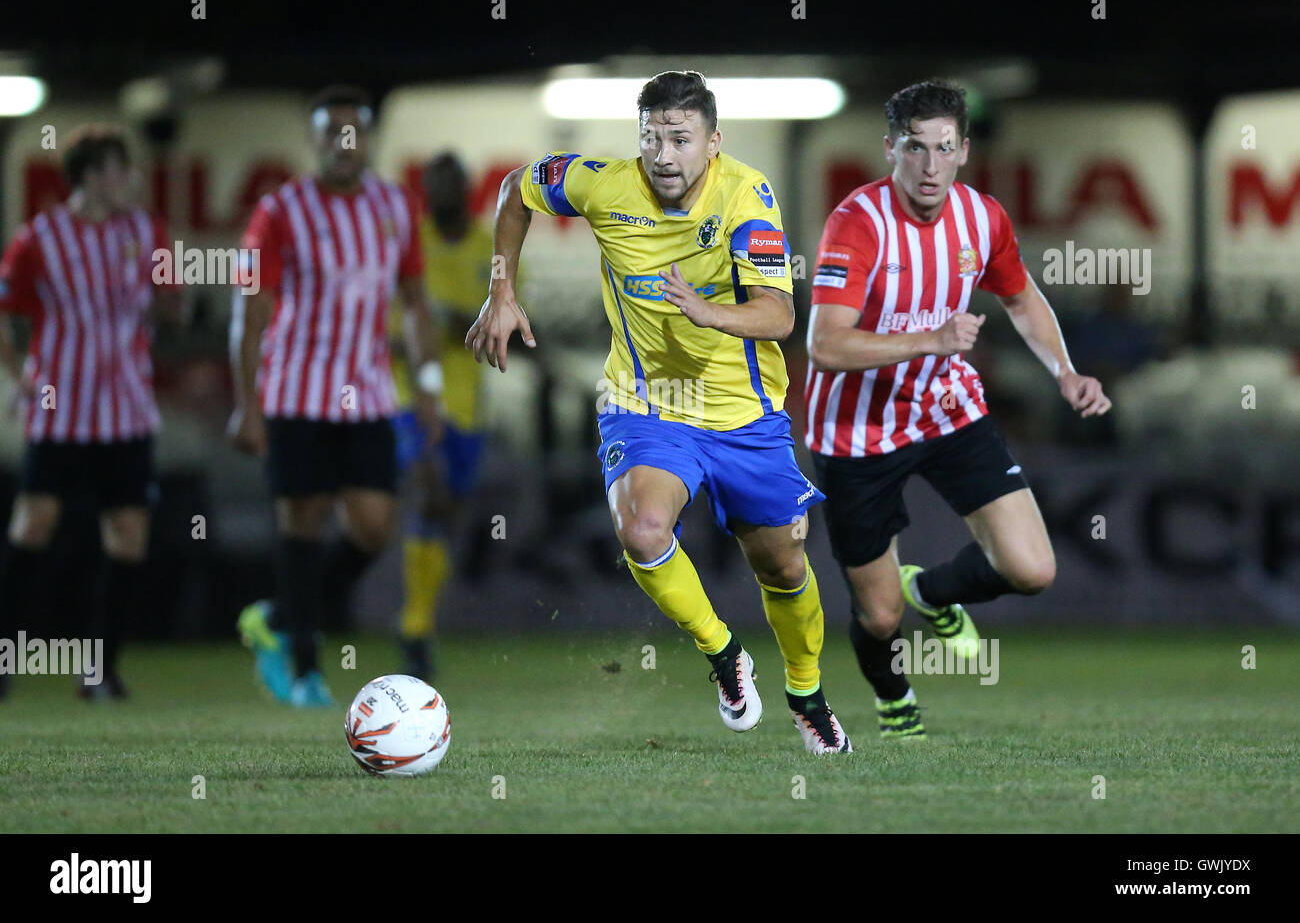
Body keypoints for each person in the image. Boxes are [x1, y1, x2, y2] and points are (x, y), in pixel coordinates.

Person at [468, 71, 851, 754]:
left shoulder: (746, 195)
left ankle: (806, 691)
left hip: (743, 411)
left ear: (713, 141)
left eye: (680, 138)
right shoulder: (602, 183)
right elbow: (515, 192)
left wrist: (709, 311)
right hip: (648, 403)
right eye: (652, 138)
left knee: (785, 565)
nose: (665, 155)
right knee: (644, 531)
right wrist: (501, 291)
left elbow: (781, 314)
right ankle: (724, 653)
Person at [804, 80, 1111, 738]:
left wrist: (1064, 371)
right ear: (890, 149)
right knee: (879, 618)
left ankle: (933, 592)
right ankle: (895, 703)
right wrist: (933, 339)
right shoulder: (857, 223)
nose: (930, 166)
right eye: (915, 148)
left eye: (945, 148)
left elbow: (1022, 297)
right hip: (856, 433)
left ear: (964, 150)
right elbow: (825, 345)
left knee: (1032, 569)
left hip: (945, 410)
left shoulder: (982, 218)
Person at [229, 86, 441, 707]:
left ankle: (277, 616)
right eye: (330, 132)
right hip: (296, 391)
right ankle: (303, 671)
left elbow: (416, 302)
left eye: (353, 132)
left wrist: (427, 388)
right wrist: (247, 403)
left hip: (370, 393)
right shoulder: (280, 210)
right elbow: (251, 312)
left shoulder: (395, 207)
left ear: (368, 140)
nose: (342, 144)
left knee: (375, 526)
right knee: (304, 521)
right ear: (314, 141)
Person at [0, 124, 178, 700]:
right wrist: (17, 376)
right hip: (60, 408)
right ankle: (6, 659)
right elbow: (5, 309)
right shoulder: (40, 238)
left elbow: (167, 306)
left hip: (126, 408)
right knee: (34, 526)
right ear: (91, 176)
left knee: (128, 536)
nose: (128, 179)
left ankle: (100, 671)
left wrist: (170, 294)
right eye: (117, 168)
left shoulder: (146, 231)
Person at [391, 152, 498, 681]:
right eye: (433, 185)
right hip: (415, 398)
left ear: (467, 189)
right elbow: (392, 332)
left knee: (447, 509)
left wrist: (458, 324)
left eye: (451, 184)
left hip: (469, 407)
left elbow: (502, 322)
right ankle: (413, 628)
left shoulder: (489, 247)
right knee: (428, 490)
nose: (441, 194)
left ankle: (421, 621)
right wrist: (446, 330)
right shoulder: (409, 242)